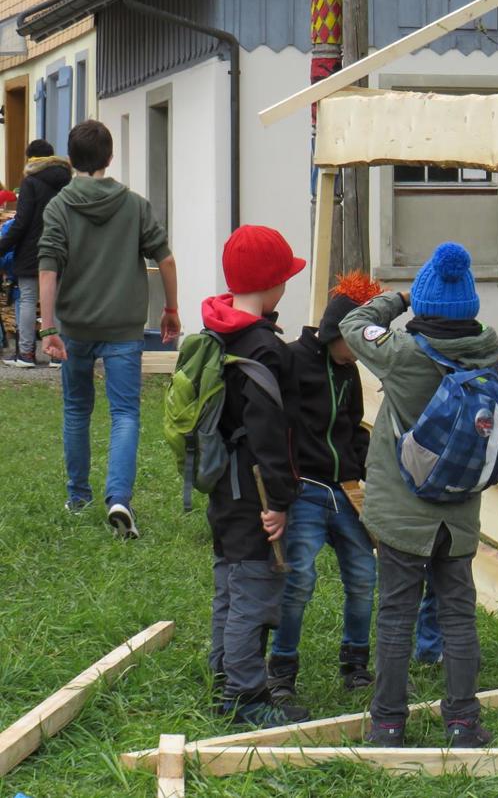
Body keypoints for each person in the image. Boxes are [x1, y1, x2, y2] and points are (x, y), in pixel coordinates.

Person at [340, 242, 498, 749]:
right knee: (458, 615)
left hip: (402, 513)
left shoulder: (402, 355)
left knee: (396, 616)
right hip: (458, 514)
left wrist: (402, 297)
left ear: (427, 301)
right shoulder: (488, 350)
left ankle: (388, 723)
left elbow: (352, 323)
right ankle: (463, 722)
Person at [38, 120, 180, 534]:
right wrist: (170, 308)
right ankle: (118, 499)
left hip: (75, 327)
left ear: (70, 160)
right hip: (124, 328)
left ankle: (78, 497)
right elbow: (165, 258)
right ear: (110, 157)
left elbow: (47, 269)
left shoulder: (59, 207)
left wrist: (49, 329)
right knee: (125, 414)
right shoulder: (134, 205)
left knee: (76, 409)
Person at [202, 224, 310, 728]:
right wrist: (280, 501)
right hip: (255, 490)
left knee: (230, 582)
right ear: (273, 284)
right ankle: (244, 697)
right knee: (254, 591)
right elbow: (272, 434)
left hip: (222, 482)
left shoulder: (218, 330)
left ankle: (223, 676)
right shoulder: (264, 348)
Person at [267, 272, 379, 703]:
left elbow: (352, 426)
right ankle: (282, 669)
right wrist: (284, 483)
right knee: (299, 578)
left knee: (363, 575)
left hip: (346, 489)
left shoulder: (349, 373)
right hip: (306, 490)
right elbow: (276, 426)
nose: (362, 353)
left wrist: (367, 467)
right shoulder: (292, 361)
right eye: (358, 342)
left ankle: (356, 665)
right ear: (337, 332)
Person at [0, 140, 71, 368]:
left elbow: (21, 223)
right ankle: (58, 355)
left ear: (30, 158)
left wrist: (3, 246)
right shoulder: (67, 180)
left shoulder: (30, 182)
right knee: (57, 299)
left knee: (28, 298)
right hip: (60, 246)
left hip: (31, 248)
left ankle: (26, 354)